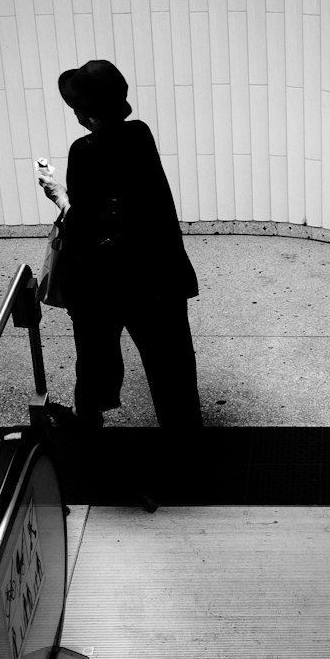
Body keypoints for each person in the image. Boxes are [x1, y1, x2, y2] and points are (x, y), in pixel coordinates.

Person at [37, 59, 202, 433]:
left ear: (86, 112)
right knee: (172, 371)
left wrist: (59, 197)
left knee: (95, 360)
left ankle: (88, 437)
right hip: (160, 277)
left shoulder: (84, 150)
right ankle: (189, 451)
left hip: (108, 284)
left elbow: (83, 226)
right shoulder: (141, 134)